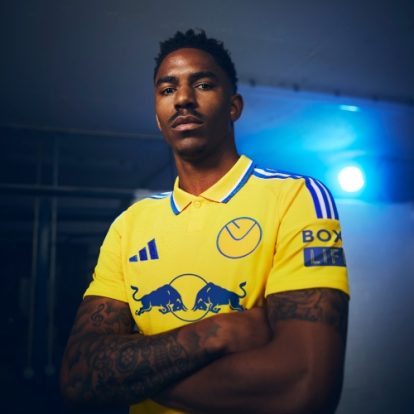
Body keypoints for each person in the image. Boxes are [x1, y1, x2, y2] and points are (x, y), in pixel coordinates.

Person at [60, 29, 349, 414]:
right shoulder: (129, 225)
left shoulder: (296, 197)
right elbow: (79, 374)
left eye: (203, 84)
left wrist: (131, 376)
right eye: (167, 89)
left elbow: (304, 388)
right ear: (158, 117)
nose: (182, 99)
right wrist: (219, 333)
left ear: (233, 107)